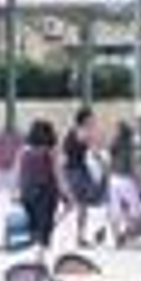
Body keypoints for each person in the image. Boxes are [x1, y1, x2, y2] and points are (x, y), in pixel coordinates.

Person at [14, 118, 62, 262]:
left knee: (34, 226)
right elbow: (58, 174)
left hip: (27, 191)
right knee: (44, 226)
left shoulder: (23, 150)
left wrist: (16, 191)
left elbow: (17, 172)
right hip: (46, 192)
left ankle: (36, 256)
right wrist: (68, 195)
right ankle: (38, 258)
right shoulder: (51, 151)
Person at [61, 106, 104, 247]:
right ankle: (79, 237)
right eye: (91, 118)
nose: (94, 120)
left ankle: (79, 236)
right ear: (85, 119)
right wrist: (95, 134)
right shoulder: (80, 132)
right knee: (81, 204)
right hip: (76, 171)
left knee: (79, 205)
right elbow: (94, 148)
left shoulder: (72, 131)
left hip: (76, 170)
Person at [105, 120, 141, 247]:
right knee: (138, 211)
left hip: (113, 179)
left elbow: (109, 162)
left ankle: (117, 237)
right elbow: (133, 167)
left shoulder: (113, 144)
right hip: (125, 179)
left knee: (115, 211)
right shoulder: (129, 146)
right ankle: (127, 235)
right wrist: (139, 183)